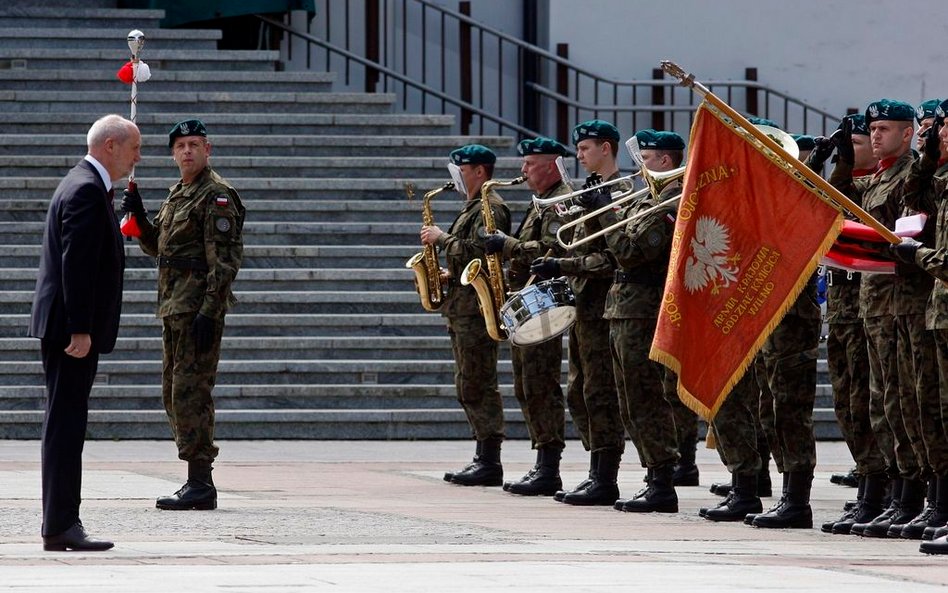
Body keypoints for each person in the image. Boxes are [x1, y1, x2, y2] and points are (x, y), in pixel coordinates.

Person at [121, 119, 245, 510]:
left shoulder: (217, 195)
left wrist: (210, 311)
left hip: (196, 309)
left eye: (194, 144)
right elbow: (159, 247)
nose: (187, 151)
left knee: (191, 393)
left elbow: (224, 262)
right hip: (174, 306)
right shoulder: (179, 193)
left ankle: (200, 482)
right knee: (174, 393)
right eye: (180, 146)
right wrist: (140, 221)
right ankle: (195, 477)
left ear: (208, 149)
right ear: (173, 154)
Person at [30, 114, 140, 550]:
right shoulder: (85, 191)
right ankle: (60, 525)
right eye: (134, 147)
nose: (137, 157)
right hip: (68, 329)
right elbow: (75, 265)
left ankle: (61, 522)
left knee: (66, 422)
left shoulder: (86, 185)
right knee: (66, 424)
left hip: (66, 325)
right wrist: (80, 328)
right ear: (110, 145)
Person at [828, 100, 920, 537]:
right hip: (870, 306)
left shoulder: (910, 177)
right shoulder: (879, 178)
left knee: (904, 405)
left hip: (901, 304)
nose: (876, 135)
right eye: (872, 129)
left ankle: (909, 499)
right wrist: (839, 163)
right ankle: (881, 495)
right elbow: (836, 207)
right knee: (874, 405)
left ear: (908, 133)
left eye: (884, 129)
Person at [586, 129, 683, 513]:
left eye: (647, 158)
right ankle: (652, 477)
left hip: (643, 311)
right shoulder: (646, 199)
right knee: (629, 400)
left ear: (665, 162)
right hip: (622, 308)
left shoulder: (670, 204)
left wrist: (607, 209)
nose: (640, 165)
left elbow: (629, 251)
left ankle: (662, 481)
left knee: (645, 399)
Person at [531, 120, 625, 506]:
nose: (580, 156)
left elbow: (613, 256)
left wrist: (566, 267)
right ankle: (594, 470)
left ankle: (605, 476)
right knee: (581, 391)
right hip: (584, 304)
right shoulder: (588, 191)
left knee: (600, 391)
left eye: (585, 149)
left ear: (606, 148)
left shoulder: (619, 192)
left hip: (605, 303)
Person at [809, 114, 890, 535]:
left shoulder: (881, 182)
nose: (867, 144)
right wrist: (825, 162)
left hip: (871, 302)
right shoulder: (851, 180)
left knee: (870, 401)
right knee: (847, 401)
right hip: (843, 302)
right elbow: (816, 204)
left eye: (853, 143)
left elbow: (851, 207)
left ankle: (882, 492)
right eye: (863, 138)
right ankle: (870, 488)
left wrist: (841, 167)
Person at [420, 144, 511, 486]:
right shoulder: (471, 207)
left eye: (461, 170)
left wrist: (442, 239)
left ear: (478, 171)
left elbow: (480, 252)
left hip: (476, 309)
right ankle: (482, 455)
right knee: (467, 382)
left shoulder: (491, 207)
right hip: (461, 306)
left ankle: (490, 460)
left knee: (478, 382)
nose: (455, 177)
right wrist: (446, 273)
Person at [485, 137, 569, 496]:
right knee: (526, 385)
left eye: (530, 164)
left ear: (551, 165)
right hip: (529, 303)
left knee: (540, 386)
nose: (523, 171)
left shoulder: (559, 200)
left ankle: (549, 467)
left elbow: (552, 248)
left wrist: (507, 245)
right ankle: (542, 463)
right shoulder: (541, 201)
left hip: (545, 307)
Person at [893, 99, 948, 549]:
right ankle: (935, 503)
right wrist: (929, 157)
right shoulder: (941, 179)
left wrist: (919, 256)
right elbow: (916, 196)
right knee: (925, 410)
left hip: (929, 301)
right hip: (936, 311)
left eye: (945, 127)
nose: (941, 133)